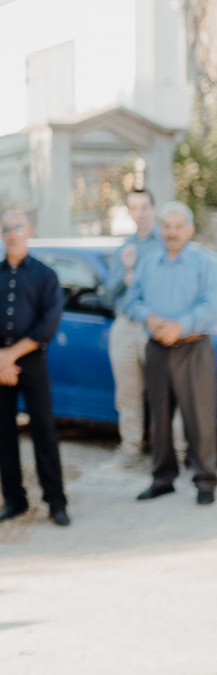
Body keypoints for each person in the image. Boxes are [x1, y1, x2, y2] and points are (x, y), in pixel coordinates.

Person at [0, 210, 69, 528]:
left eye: (18, 227)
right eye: (6, 228)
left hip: (31, 359)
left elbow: (49, 322)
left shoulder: (46, 276)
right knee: (3, 432)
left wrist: (10, 356)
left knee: (44, 429)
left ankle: (56, 501)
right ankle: (14, 500)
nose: (12, 233)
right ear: (1, 235)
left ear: (30, 231)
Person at [128, 202, 217, 507]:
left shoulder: (206, 262)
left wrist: (180, 326)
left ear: (189, 230)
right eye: (167, 226)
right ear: (160, 230)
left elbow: (212, 304)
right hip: (157, 348)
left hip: (194, 346)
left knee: (200, 418)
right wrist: (149, 317)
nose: (172, 232)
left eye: (178, 226)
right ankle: (162, 478)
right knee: (159, 417)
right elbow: (132, 300)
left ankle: (206, 479)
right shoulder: (148, 263)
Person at [103, 188, 162, 467]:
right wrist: (126, 272)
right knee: (127, 392)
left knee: (163, 392)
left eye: (145, 207)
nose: (140, 213)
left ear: (153, 208)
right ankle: (130, 449)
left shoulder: (164, 244)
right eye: (134, 208)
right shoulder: (123, 248)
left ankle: (173, 452)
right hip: (125, 326)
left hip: (155, 325)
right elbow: (108, 295)